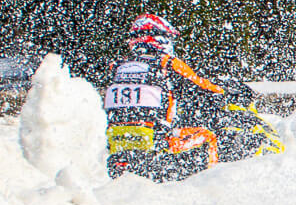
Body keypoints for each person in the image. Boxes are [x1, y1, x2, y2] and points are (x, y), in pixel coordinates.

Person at [104, 13, 258, 173]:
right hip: (156, 140)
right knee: (208, 136)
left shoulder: (116, 66)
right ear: (159, 38)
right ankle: (212, 180)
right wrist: (227, 91)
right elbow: (201, 84)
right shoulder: (165, 61)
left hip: (116, 140)